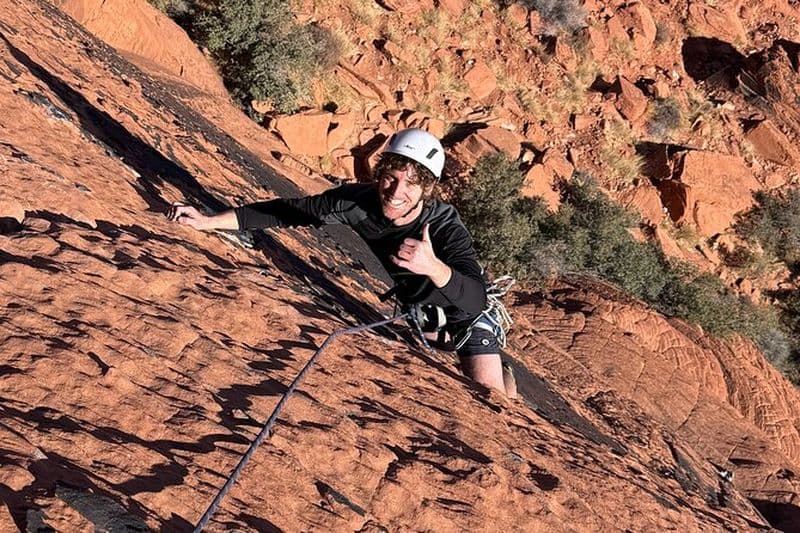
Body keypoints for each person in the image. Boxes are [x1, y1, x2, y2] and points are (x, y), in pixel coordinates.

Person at [168, 128, 517, 398]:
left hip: (465, 315)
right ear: (379, 172)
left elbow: (475, 299)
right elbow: (287, 212)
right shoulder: (354, 203)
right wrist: (208, 222)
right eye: (391, 177)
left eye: (412, 184)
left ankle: (503, 371)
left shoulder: (444, 226)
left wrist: (433, 267)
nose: (396, 192)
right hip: (421, 313)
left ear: (427, 189)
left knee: (493, 396)